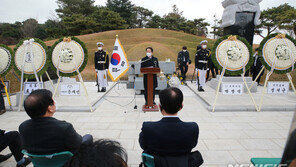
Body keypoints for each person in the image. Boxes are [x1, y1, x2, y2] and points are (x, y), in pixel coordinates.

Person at [19, 89, 93, 155]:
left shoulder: (23, 127)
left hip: (39, 163)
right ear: (50, 108)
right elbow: (78, 143)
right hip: (64, 162)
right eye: (53, 101)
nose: (54, 102)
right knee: (88, 137)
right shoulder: (64, 128)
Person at [139, 87, 199, 156]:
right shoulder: (192, 128)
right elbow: (193, 145)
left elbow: (143, 145)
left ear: (159, 106)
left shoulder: (148, 128)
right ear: (181, 107)